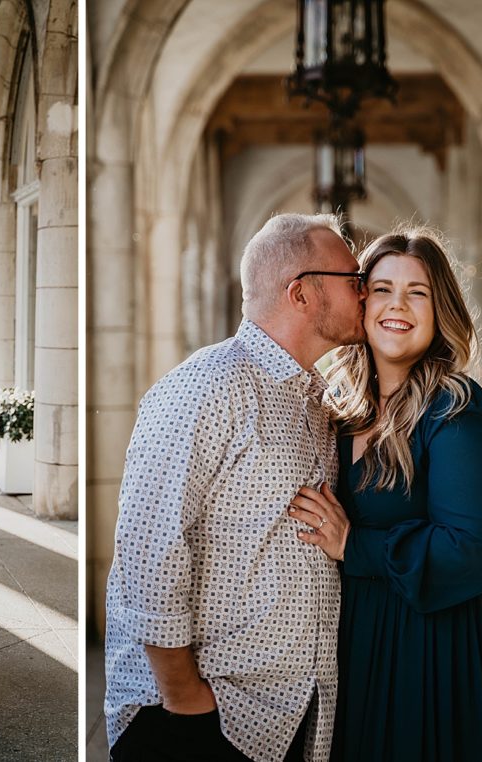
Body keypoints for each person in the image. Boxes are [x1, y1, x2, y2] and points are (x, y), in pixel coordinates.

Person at [104, 213, 367, 762]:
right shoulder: (205, 385)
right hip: (201, 721)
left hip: (289, 713)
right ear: (301, 293)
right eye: (353, 278)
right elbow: (148, 552)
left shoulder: (315, 399)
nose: (364, 291)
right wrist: (185, 699)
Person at [289, 227, 482, 761]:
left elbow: (475, 549)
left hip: (430, 650)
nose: (398, 306)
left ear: (439, 309)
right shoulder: (342, 409)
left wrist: (356, 546)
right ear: (361, 300)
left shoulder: (457, 411)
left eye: (417, 292)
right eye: (383, 289)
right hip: (356, 642)